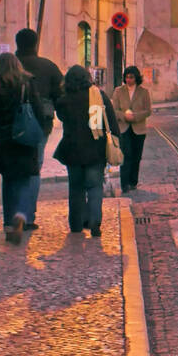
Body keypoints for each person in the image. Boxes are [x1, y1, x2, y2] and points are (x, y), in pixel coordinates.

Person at [0, 53, 45, 243]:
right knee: (24, 180)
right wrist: (41, 131)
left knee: (8, 181)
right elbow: (38, 110)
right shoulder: (26, 83)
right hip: (24, 138)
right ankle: (22, 215)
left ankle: (8, 223)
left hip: (3, 140)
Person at [54, 65, 118, 237]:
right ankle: (95, 221)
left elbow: (61, 117)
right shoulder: (98, 96)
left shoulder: (64, 100)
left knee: (76, 188)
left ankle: (76, 225)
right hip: (95, 150)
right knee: (95, 186)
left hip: (73, 150)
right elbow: (110, 122)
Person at [14, 28, 63, 229]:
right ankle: (27, 215)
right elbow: (61, 96)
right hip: (40, 125)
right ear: (36, 44)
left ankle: (13, 214)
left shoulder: (9, 66)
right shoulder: (48, 67)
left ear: (17, 43)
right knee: (34, 168)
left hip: (12, 124)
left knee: (14, 170)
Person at [112, 66, 153, 193]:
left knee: (136, 156)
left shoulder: (143, 92)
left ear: (136, 78)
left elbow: (148, 111)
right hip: (124, 128)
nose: (128, 80)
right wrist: (124, 116)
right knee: (126, 155)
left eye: (131, 77)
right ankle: (124, 184)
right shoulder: (118, 91)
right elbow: (115, 109)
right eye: (127, 77)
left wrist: (135, 117)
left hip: (138, 129)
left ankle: (133, 181)